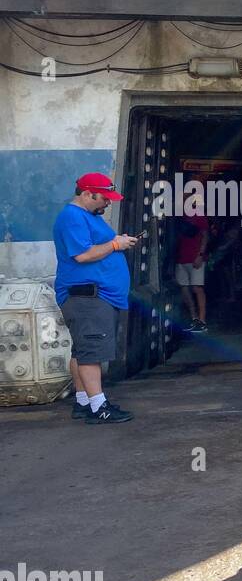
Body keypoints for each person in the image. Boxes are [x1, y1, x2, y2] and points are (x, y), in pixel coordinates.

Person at [55, 173, 138, 423]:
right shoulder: (72, 217)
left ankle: (83, 402)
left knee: (82, 351)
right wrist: (115, 245)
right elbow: (82, 255)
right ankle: (99, 407)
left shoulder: (85, 217)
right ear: (88, 194)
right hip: (88, 297)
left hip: (91, 296)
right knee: (91, 352)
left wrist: (116, 242)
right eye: (104, 198)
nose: (107, 203)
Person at [174, 210, 210, 333]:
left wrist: (200, 254)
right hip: (182, 258)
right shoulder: (179, 216)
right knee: (184, 287)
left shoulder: (199, 215)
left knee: (197, 288)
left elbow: (205, 236)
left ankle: (202, 320)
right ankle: (194, 318)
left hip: (195, 257)